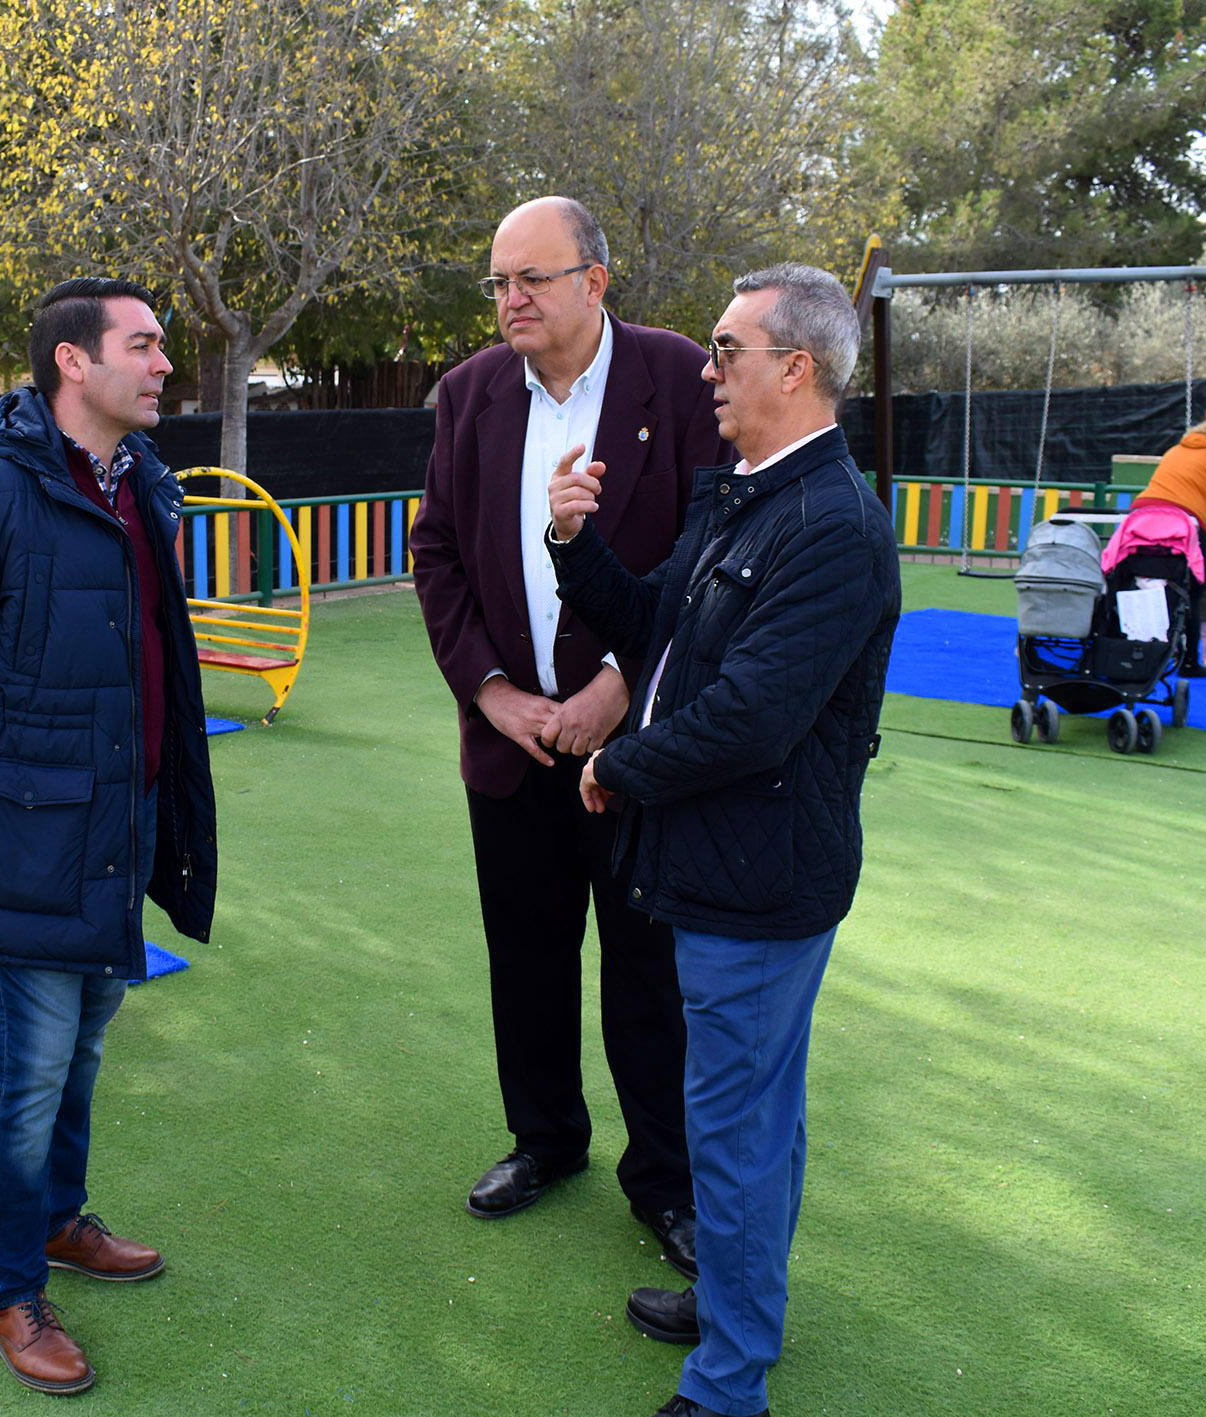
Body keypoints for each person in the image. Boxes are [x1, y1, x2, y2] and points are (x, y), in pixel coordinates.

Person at [545, 262, 899, 1417]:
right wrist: (573, 544)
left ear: (794, 368)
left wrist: (614, 765)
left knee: (737, 1134)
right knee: (753, 1116)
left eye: (726, 350)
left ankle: (727, 1382)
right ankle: (741, 1307)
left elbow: (750, 717)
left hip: (758, 877)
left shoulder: (830, 522)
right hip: (725, 867)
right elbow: (657, 624)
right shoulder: (748, 490)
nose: (706, 371)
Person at [0, 276, 217, 1396]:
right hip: (22, 840)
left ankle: (60, 1223)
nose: (165, 365)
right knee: (25, 1076)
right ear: (74, 362)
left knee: (82, 1052)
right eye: (145, 345)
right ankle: (7, 1290)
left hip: (115, 826)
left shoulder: (142, 490)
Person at [410, 196, 727, 1275]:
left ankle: (665, 1184)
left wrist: (621, 685)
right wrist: (493, 694)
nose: (508, 301)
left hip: (633, 747)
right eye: (497, 281)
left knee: (648, 969)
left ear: (594, 281)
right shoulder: (468, 394)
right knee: (527, 956)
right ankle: (545, 1140)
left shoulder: (679, 380)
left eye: (530, 279)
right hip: (510, 743)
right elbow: (439, 556)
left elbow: (710, 551)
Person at [1131, 404, 1206, 675]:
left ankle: (1135, 651)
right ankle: (1190, 662)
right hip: (1185, 523)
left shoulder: (1177, 450)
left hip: (1142, 516)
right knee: (1192, 592)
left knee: (1143, 580)